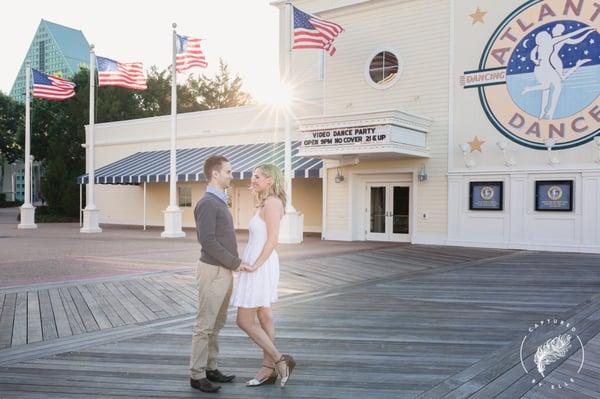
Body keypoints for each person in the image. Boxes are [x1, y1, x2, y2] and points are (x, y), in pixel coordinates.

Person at [189, 155, 251, 393]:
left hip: (224, 271)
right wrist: (235, 263)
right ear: (215, 174)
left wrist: (233, 265)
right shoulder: (207, 203)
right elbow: (207, 241)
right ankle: (196, 374)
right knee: (205, 324)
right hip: (213, 271)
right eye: (228, 172)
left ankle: (210, 368)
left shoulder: (219, 202)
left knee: (216, 322)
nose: (231, 176)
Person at [232, 164, 296, 388]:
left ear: (270, 180)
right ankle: (268, 369)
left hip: (260, 265)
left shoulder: (272, 203)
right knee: (264, 317)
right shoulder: (265, 202)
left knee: (243, 320)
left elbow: (273, 240)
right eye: (253, 175)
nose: (253, 179)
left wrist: (255, 265)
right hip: (257, 263)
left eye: (258, 176)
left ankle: (279, 361)